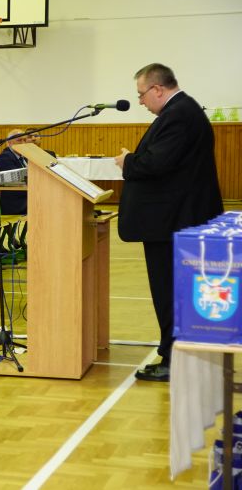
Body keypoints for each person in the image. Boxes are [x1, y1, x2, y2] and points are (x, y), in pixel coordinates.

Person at [114, 63, 223, 382]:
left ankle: (175, 358)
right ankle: (175, 353)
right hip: (176, 220)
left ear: (158, 89)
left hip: (173, 223)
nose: (140, 101)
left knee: (170, 291)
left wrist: (127, 161)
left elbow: (157, 164)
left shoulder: (178, 115)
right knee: (175, 290)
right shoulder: (183, 111)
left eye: (141, 94)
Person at [0, 129, 30, 215]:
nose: (23, 143)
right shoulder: (5, 157)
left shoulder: (23, 157)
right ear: (9, 143)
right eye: (19, 140)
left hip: (26, 196)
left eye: (25, 140)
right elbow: (16, 180)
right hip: (16, 202)